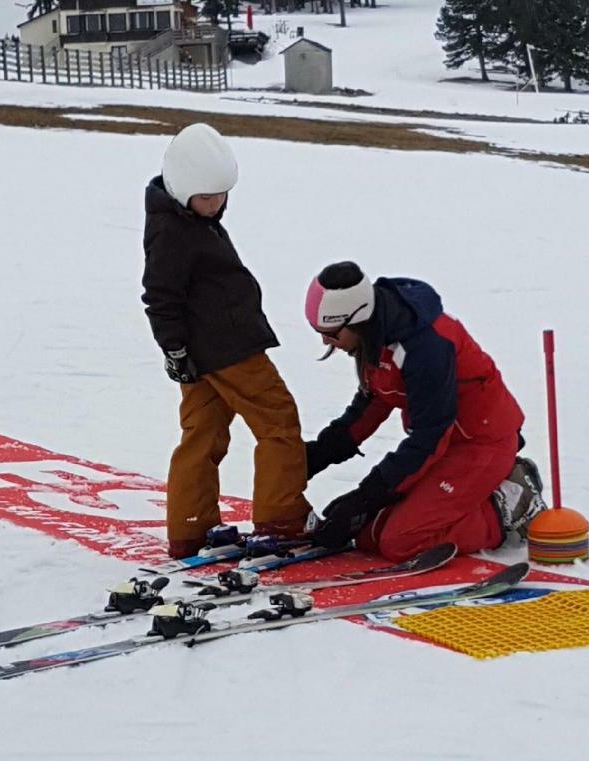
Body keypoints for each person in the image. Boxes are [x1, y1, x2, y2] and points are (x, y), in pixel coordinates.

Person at [141, 122, 311, 559]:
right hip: (228, 347)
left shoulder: (183, 217)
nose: (216, 205)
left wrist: (182, 352)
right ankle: (283, 519)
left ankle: (191, 527)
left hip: (203, 351)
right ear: (181, 189)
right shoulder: (174, 231)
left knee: (203, 431)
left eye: (221, 196)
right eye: (206, 197)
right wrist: (172, 348)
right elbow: (160, 296)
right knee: (278, 420)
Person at [303, 261, 546, 562]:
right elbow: (373, 401)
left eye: (331, 333)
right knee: (367, 534)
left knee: (401, 542)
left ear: (356, 319)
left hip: (480, 444)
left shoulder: (426, 347)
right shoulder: (375, 335)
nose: (325, 341)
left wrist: (366, 496)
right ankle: (467, 498)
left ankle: (509, 505)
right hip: (441, 446)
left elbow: (430, 437)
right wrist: (319, 454)